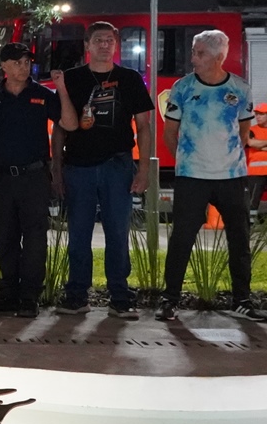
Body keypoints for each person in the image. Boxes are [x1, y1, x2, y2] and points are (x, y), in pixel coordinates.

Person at [157, 30, 266, 322]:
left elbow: (243, 132)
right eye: (194, 51)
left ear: (219, 57)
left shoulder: (240, 88)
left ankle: (242, 300)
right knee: (181, 239)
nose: (193, 58)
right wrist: (186, 162)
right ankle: (169, 300)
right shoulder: (182, 87)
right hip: (192, 177)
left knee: (239, 239)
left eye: (200, 53)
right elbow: (170, 133)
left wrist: (226, 159)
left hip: (232, 178)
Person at [52, 21, 153, 319]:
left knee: (118, 233)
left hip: (117, 166)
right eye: (98, 40)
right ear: (87, 45)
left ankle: (120, 296)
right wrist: (56, 169)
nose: (105, 45)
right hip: (78, 166)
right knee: (78, 233)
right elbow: (60, 129)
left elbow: (144, 127)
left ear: (116, 44)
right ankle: (76, 295)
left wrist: (143, 169)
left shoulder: (130, 79)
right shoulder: (71, 79)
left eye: (110, 40)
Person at [0, 43, 78, 318]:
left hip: (33, 177)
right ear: (4, 66)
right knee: (5, 237)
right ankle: (8, 293)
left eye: (27, 62)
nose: (24, 67)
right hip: (1, 177)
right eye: (17, 62)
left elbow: (70, 124)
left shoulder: (42, 94)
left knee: (35, 237)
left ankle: (29, 296)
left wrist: (62, 90)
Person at [244, 103, 267, 212]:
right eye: (256, 114)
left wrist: (260, 146)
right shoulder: (250, 130)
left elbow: (256, 144)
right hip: (256, 173)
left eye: (261, 114)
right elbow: (251, 143)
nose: (257, 116)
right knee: (252, 202)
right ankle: (250, 222)